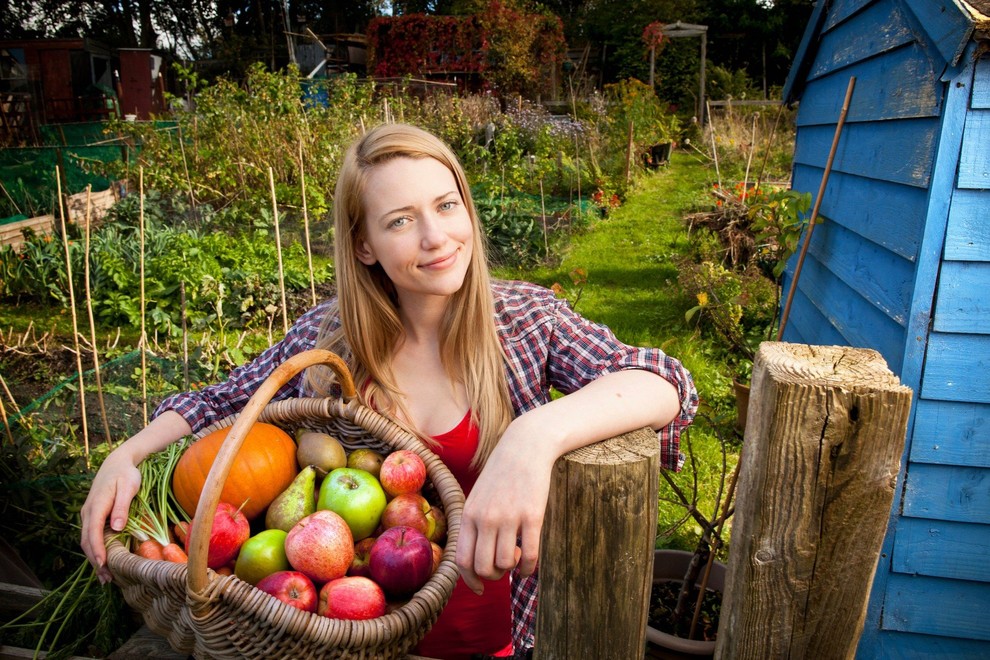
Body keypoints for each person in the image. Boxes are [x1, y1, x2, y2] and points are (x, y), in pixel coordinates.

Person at [80, 122, 698, 658]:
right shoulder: (331, 342)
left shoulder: (524, 322)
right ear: (364, 246)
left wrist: (533, 436)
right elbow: (222, 401)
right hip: (357, 640)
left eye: (447, 205)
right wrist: (127, 454)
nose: (436, 237)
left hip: (510, 636)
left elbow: (666, 380)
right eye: (402, 221)